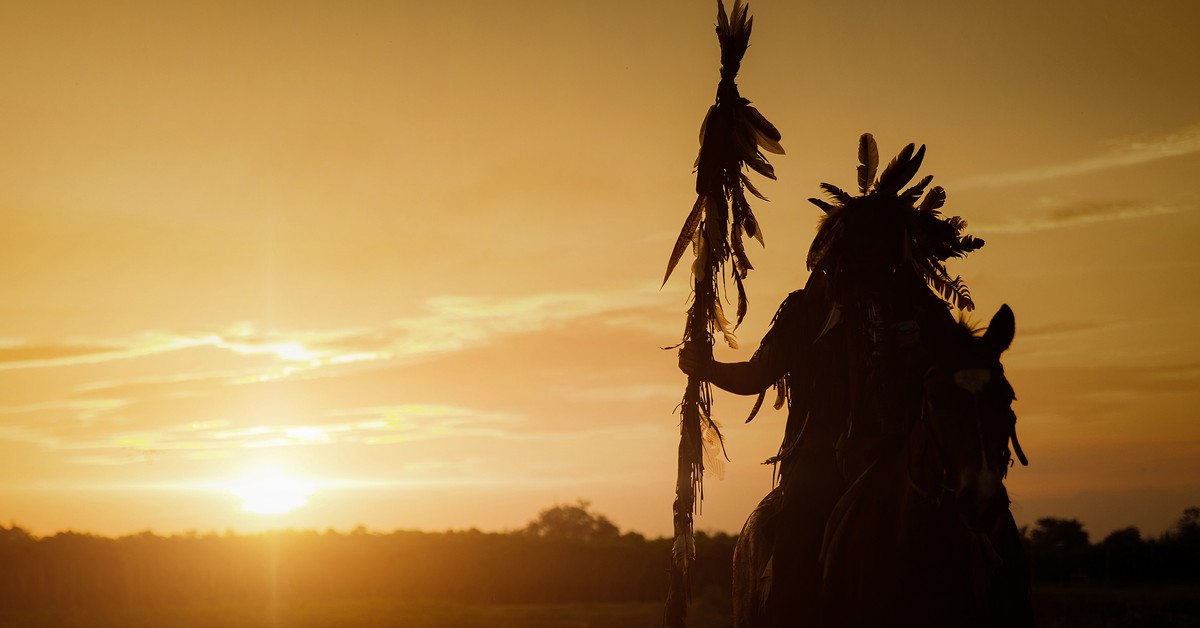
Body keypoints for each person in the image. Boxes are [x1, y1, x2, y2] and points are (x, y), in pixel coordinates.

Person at [680, 136, 987, 625]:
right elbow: (760, 373)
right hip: (820, 456)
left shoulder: (919, 308)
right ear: (840, 251)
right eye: (862, 248)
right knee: (799, 534)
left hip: (906, 454)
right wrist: (708, 367)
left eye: (883, 249)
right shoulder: (808, 310)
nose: (873, 262)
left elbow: (961, 364)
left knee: (982, 535)